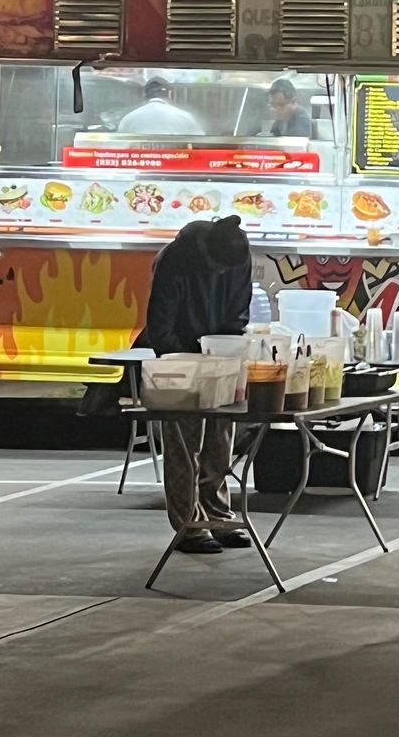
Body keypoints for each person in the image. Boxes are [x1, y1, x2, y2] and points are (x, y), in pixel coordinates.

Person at [138, 215, 252, 554]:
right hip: (180, 359)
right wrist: (188, 358)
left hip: (222, 354)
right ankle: (189, 525)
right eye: (216, 267)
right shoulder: (175, 259)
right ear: (204, 252)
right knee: (184, 446)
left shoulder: (239, 256)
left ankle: (217, 517)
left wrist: (228, 347)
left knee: (221, 440)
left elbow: (239, 311)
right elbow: (160, 324)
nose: (220, 273)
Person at [116, 76, 206, 135]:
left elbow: (118, 148)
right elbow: (200, 143)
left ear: (144, 95)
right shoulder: (184, 116)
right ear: (170, 94)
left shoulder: (129, 118)